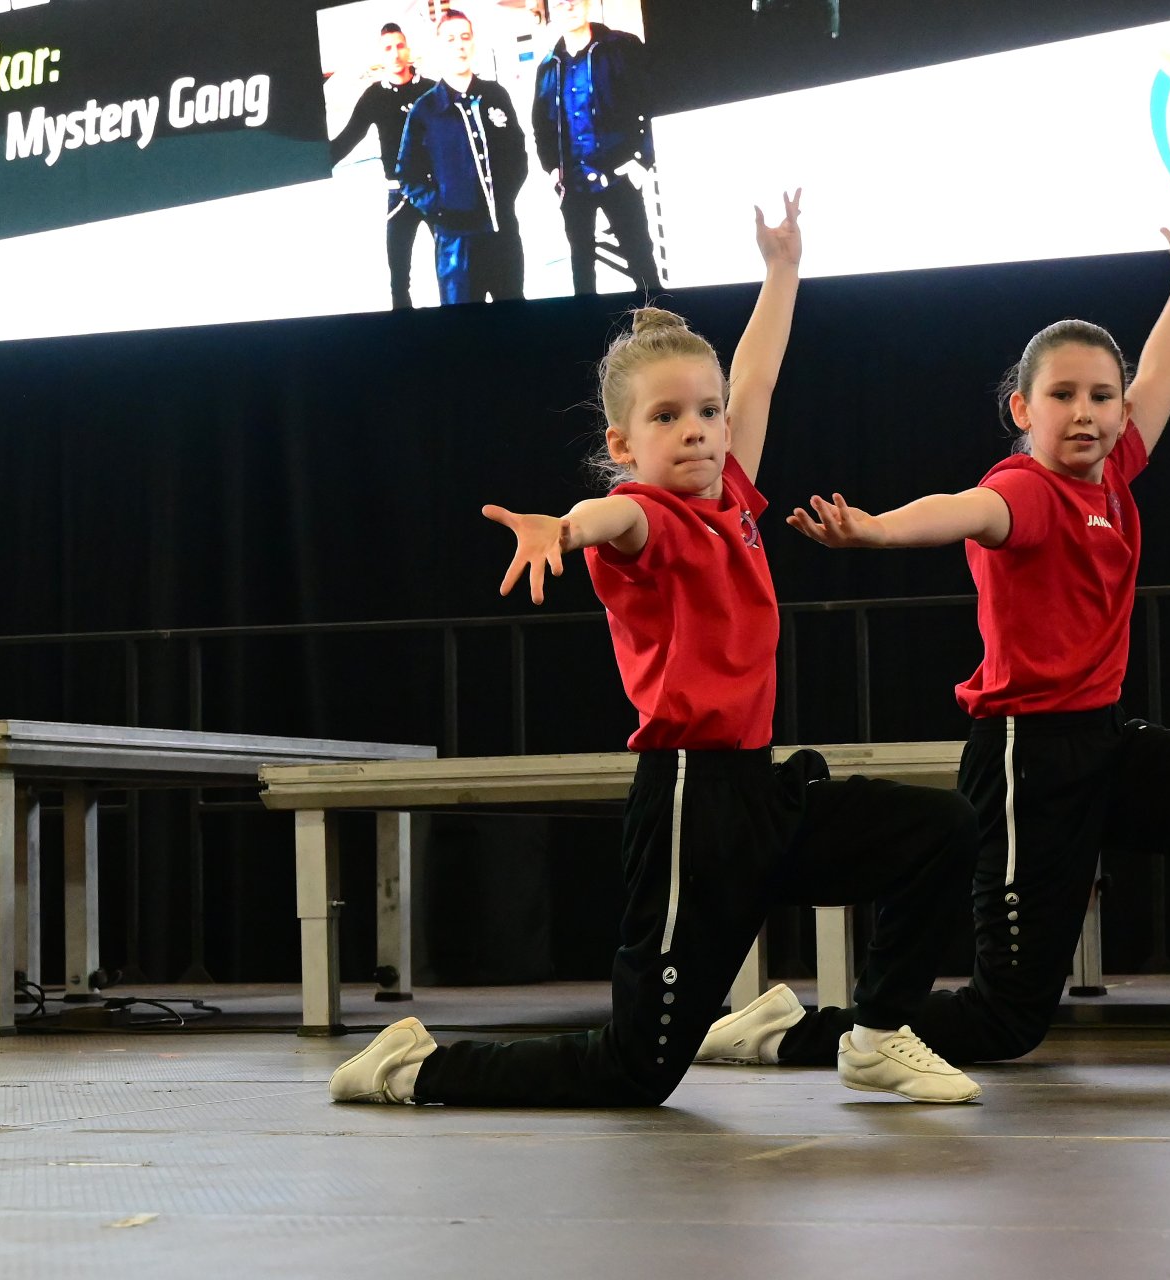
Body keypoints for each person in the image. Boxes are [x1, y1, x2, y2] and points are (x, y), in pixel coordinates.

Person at [330, 194, 984, 1107]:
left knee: (941, 829)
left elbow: (757, 378)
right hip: (690, 807)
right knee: (634, 1070)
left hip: (761, 794)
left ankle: (875, 1034)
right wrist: (563, 528)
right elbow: (609, 518)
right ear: (623, 442)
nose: (697, 429)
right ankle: (412, 1066)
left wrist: (783, 270)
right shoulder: (650, 518)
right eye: (668, 417)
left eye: (706, 413)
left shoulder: (733, 502)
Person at [704, 175, 1170, 1069]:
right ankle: (783, 1032)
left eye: (1102, 397)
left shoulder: (1114, 473)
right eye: (1063, 396)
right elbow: (963, 510)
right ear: (1023, 410)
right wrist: (878, 530)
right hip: (1027, 764)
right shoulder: (1028, 492)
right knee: (1006, 1020)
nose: (1085, 412)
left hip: (1105, 745)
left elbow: (1165, 370)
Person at [394, 10, 527, 305]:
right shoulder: (425, 110)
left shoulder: (495, 95)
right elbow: (407, 174)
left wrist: (504, 198)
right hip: (456, 247)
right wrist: (441, 209)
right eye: (451, 39)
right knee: (463, 326)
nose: (459, 45)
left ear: (474, 43)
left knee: (515, 315)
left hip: (503, 235)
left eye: (465, 37)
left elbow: (517, 153)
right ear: (438, 48)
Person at [531, 0, 663, 296]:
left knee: (642, 262)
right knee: (582, 270)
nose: (568, 6)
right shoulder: (548, 66)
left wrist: (642, 160)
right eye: (559, 2)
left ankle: (659, 321)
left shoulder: (622, 47)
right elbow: (541, 125)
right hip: (573, 185)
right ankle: (587, 323)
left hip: (620, 177)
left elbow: (652, 102)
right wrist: (552, 170)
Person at [328, 23, 437, 310]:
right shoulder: (374, 97)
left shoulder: (431, 90)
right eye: (388, 48)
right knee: (398, 280)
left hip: (436, 192)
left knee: (456, 269)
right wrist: (308, 162)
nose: (395, 53)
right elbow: (346, 140)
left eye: (400, 46)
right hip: (399, 196)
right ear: (381, 55)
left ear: (408, 49)